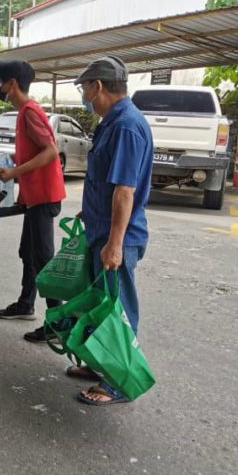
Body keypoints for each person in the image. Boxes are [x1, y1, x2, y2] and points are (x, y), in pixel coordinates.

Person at [68, 56, 153, 406]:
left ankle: (119, 382)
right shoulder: (111, 123)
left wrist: (115, 244)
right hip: (101, 229)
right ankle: (100, 364)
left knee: (118, 311)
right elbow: (105, 181)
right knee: (101, 306)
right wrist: (90, 210)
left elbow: (125, 190)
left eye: (85, 87)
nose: (84, 94)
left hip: (117, 237)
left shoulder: (126, 126)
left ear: (98, 86)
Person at [0, 59, 67, 343]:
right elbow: (33, 152)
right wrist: (8, 158)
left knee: (44, 259)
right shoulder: (25, 112)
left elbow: (50, 151)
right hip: (34, 197)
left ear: (12, 84)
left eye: (0, 82)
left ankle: (57, 323)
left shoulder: (30, 112)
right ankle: (26, 304)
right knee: (29, 253)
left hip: (44, 196)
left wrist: (14, 172)